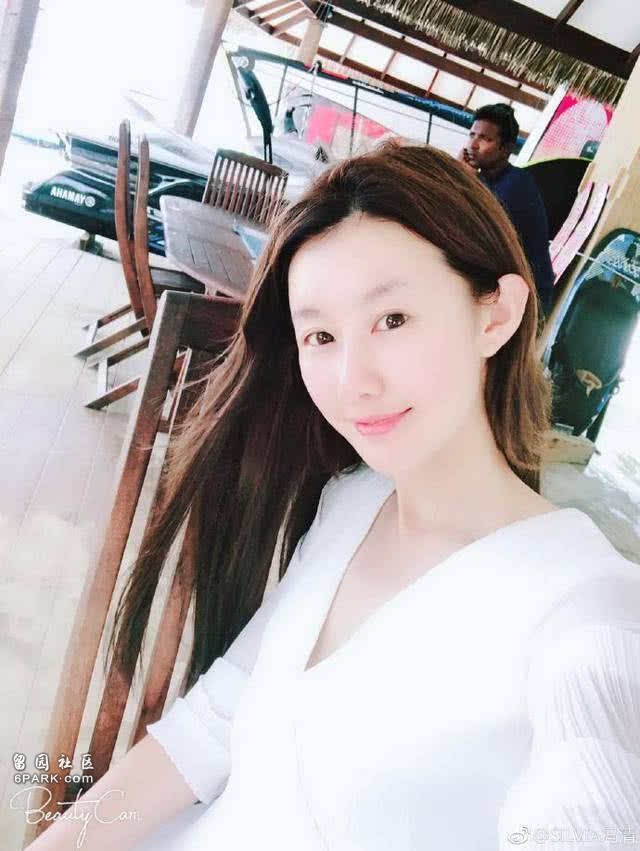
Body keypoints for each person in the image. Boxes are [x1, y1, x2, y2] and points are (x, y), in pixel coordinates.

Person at [27, 143, 640, 851]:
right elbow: (212, 724)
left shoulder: (590, 611)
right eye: (320, 334)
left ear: (495, 315)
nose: (353, 381)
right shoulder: (351, 501)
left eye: (393, 319)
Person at [459, 103, 556, 319]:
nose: (473, 145)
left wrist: (462, 179)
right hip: (500, 288)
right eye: (472, 135)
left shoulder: (517, 185)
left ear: (506, 149)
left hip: (529, 302)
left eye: (485, 139)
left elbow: (473, 229)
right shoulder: (483, 178)